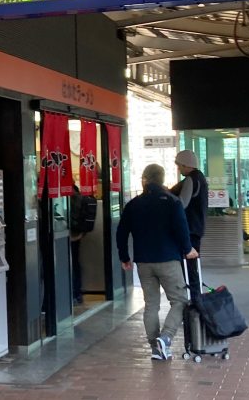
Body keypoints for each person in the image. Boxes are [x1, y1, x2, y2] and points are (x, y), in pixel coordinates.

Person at [116, 164, 198, 360]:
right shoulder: (171, 202)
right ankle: (166, 338)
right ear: (162, 180)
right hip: (168, 259)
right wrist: (188, 249)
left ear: (144, 179)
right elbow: (181, 228)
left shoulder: (134, 204)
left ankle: (155, 348)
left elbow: (121, 232)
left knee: (151, 304)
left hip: (144, 262)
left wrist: (124, 257)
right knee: (179, 300)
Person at [169, 150, 208, 298]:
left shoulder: (191, 179)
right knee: (192, 266)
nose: (179, 169)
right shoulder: (200, 178)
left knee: (189, 266)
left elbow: (182, 203)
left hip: (189, 230)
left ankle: (194, 299)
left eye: (179, 165)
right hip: (197, 228)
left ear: (186, 164)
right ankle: (195, 297)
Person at [70, 185, 97, 305]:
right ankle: (76, 294)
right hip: (75, 236)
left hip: (71, 236)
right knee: (74, 264)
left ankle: (75, 293)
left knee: (72, 264)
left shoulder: (71, 197)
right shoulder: (78, 196)